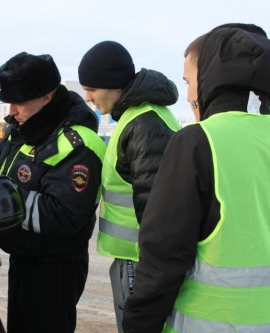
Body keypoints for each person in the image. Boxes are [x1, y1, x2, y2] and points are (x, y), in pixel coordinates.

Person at [123, 27, 270, 333]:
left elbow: (162, 260)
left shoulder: (198, 141)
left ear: (209, 80)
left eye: (190, 82)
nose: (190, 94)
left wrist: (137, 326)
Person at [0, 52, 106, 333]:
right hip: (24, 259)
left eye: (19, 102)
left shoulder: (78, 144)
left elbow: (65, 214)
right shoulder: (25, 125)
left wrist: (0, 198)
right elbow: (3, 161)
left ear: (47, 97)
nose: (11, 110)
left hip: (54, 270)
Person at [78, 40, 181, 332]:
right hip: (136, 259)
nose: (87, 97)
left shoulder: (144, 125)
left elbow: (160, 217)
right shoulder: (139, 118)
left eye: (92, 88)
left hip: (142, 263)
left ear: (112, 84)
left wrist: (150, 280)